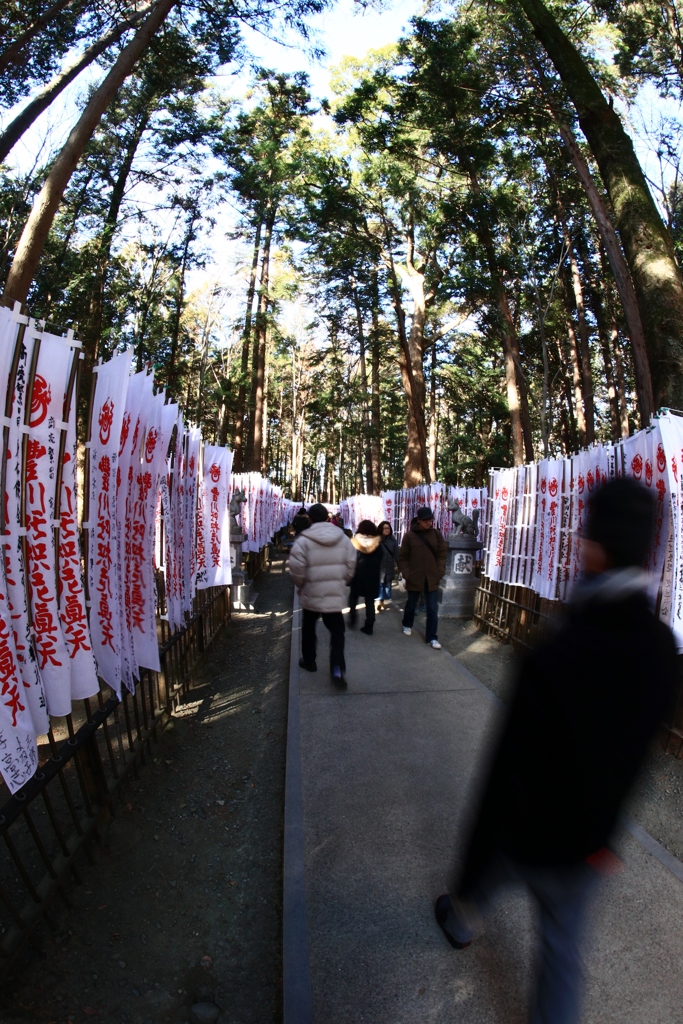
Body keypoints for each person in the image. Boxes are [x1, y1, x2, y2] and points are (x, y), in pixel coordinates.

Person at [434, 477, 678, 1024]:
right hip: (589, 844)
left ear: (597, 547)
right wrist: (608, 832)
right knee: (562, 954)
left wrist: (471, 863)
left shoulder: (562, 651)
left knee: (485, 883)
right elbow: (642, 756)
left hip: (526, 833)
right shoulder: (661, 649)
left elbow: (503, 777)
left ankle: (462, 917)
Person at [288, 502, 357, 687]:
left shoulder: (303, 540)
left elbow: (296, 568)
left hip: (311, 593)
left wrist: (302, 585)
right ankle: (337, 670)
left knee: (309, 628)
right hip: (334, 594)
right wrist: (342, 581)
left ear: (309, 519)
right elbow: (351, 564)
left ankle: (309, 661)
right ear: (328, 517)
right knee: (337, 633)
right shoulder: (342, 538)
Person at [398, 506, 447, 649]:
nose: (428, 522)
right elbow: (403, 557)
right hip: (415, 576)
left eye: (430, 520)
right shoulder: (409, 536)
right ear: (418, 520)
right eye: (425, 520)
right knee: (411, 604)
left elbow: (442, 554)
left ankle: (432, 637)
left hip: (432, 577)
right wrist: (407, 573)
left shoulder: (436, 535)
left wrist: (439, 571)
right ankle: (407, 624)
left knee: (432, 609)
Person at [349, 520, 383, 635]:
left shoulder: (355, 543)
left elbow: (350, 559)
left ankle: (352, 618)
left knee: (353, 597)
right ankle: (369, 626)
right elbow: (380, 558)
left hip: (357, 574)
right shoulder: (378, 544)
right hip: (372, 576)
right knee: (370, 601)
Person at [377, 520, 399, 610]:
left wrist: (400, 566)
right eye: (384, 528)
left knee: (387, 586)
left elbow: (397, 555)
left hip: (389, 566)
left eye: (388, 528)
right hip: (379, 567)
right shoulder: (376, 539)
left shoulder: (393, 540)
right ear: (380, 529)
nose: (387, 530)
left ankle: (382, 601)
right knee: (379, 585)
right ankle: (379, 601)